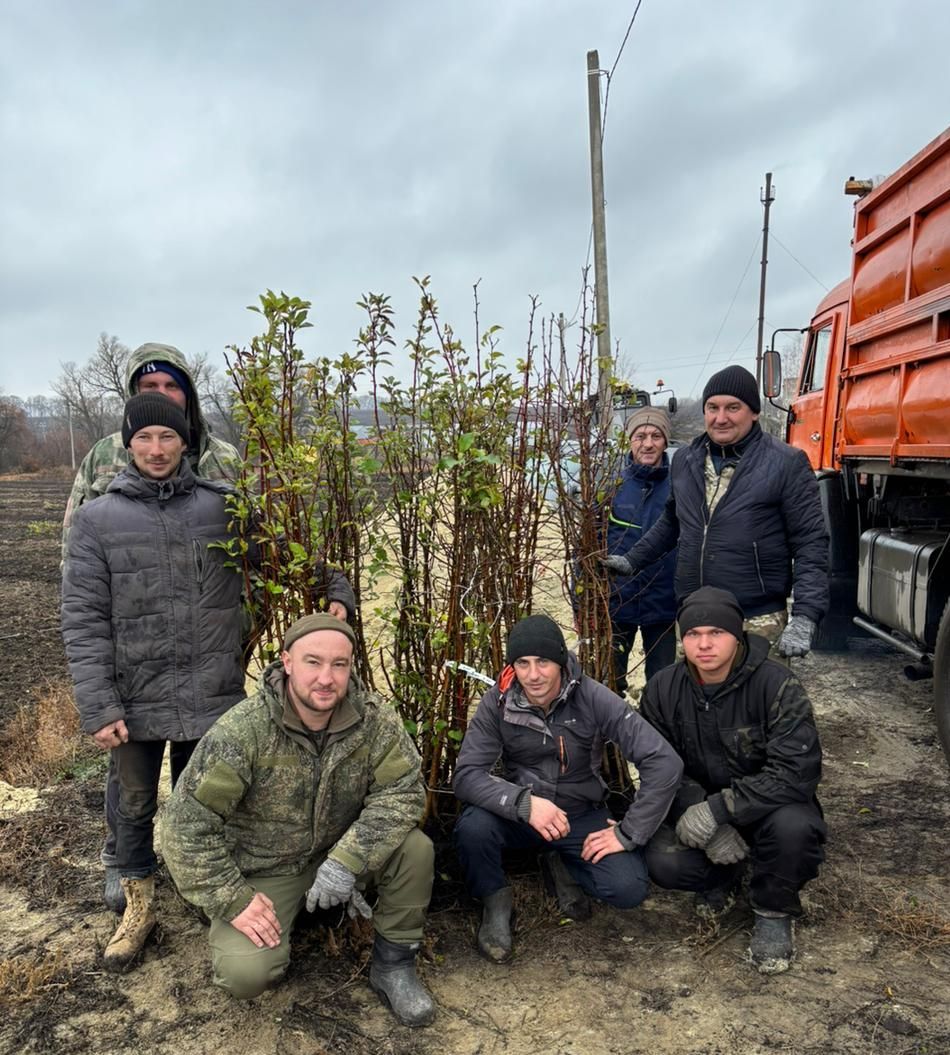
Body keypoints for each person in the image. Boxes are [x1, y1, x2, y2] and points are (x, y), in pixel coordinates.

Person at [61, 395, 355, 973]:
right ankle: (138, 909)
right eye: (143, 438)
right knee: (136, 806)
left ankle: (206, 893)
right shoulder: (98, 520)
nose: (155, 449)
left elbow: (284, 563)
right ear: (127, 443)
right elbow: (83, 618)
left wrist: (335, 587)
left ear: (185, 442)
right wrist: (98, 704)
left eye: (167, 438)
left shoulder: (222, 509)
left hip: (211, 694)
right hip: (134, 697)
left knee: (214, 803)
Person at [162, 614, 435, 1028]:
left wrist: (347, 860)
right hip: (266, 870)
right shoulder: (243, 732)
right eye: (313, 662)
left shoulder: (374, 721)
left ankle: (393, 966)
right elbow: (185, 825)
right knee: (244, 975)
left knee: (415, 850)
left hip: (340, 857)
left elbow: (403, 792)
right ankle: (257, 918)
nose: (326, 678)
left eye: (339, 665)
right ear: (287, 662)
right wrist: (232, 900)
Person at [61, 342, 243, 915]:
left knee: (203, 780)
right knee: (133, 787)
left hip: (208, 655)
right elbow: (81, 584)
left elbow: (268, 550)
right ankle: (128, 865)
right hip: (135, 660)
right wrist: (96, 691)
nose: (157, 444)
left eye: (170, 390)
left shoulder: (225, 474)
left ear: (187, 407)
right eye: (147, 396)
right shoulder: (100, 474)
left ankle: (196, 863)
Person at [452, 614, 683, 963]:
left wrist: (629, 832)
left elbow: (664, 762)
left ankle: (561, 861)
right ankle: (495, 904)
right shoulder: (497, 702)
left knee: (627, 889)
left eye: (543, 662)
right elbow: (467, 774)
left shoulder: (592, 697)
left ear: (560, 660)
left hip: (579, 814)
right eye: (523, 663)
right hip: (522, 815)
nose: (533, 675)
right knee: (472, 828)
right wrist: (523, 804)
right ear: (512, 666)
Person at [639, 586, 826, 974]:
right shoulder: (662, 688)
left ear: (737, 634)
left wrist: (721, 809)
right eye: (693, 634)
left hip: (766, 807)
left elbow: (796, 773)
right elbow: (658, 767)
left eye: (716, 633)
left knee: (797, 828)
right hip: (698, 806)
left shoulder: (777, 685)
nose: (704, 645)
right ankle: (724, 875)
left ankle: (773, 910)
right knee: (662, 862)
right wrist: (699, 816)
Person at [603, 365, 829, 658]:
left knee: (755, 702)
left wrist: (805, 616)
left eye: (732, 407)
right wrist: (632, 560)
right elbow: (672, 521)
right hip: (694, 616)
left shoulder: (786, 463)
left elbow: (811, 542)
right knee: (695, 702)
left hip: (755, 619)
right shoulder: (686, 459)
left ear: (754, 411)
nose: (721, 418)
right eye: (713, 407)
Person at [598, 406, 677, 693]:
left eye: (656, 435)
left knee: (663, 683)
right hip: (619, 601)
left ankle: (658, 733)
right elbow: (590, 546)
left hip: (665, 604)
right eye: (640, 435)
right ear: (629, 440)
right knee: (609, 680)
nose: (648, 443)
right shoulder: (611, 485)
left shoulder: (679, 484)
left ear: (666, 441)